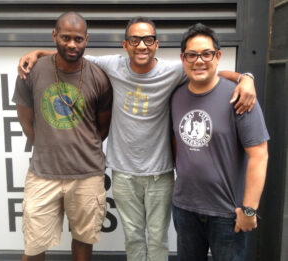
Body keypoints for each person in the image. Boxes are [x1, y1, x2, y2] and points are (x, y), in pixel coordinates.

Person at [18, 17, 257, 261]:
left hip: (159, 174)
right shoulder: (112, 65)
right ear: (125, 45)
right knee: (133, 237)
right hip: (123, 173)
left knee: (157, 239)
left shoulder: (175, 71)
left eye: (148, 40)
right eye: (135, 40)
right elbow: (72, 52)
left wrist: (245, 78)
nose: (141, 45)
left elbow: (212, 71)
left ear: (156, 44)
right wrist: (37, 53)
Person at [13, 12, 112, 261]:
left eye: (78, 39)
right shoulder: (32, 71)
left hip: (87, 174)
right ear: (54, 35)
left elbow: (102, 128)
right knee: (33, 246)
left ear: (86, 40)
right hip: (43, 173)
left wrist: (78, 147)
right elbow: (26, 120)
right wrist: (48, 146)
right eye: (66, 37)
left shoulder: (98, 76)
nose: (71, 44)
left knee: (83, 241)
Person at [170, 23, 269, 261]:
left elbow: (259, 154)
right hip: (185, 209)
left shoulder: (239, 97)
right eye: (192, 55)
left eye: (207, 54)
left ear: (218, 56)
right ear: (183, 58)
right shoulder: (176, 96)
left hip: (228, 214)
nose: (199, 61)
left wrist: (249, 209)